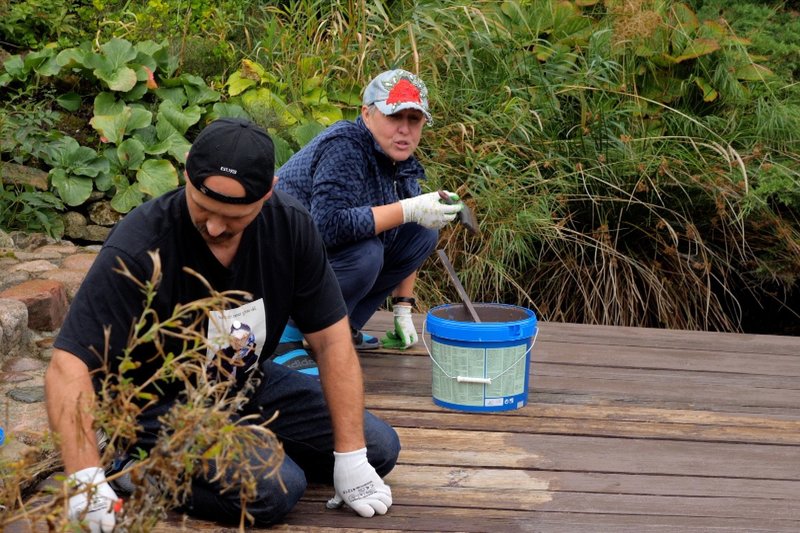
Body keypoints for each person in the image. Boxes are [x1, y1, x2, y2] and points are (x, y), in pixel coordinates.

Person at [44, 117, 399, 531]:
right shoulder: (139, 244)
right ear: (187, 171)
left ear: (268, 192)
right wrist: (83, 480)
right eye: (202, 208)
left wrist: (351, 457)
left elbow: (332, 342)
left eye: (233, 217)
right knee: (277, 488)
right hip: (156, 404)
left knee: (377, 448)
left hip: (246, 382)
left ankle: (248, 451)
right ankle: (131, 469)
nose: (214, 227)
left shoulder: (290, 226)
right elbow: (67, 364)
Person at [273, 69, 463, 372]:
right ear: (367, 113)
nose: (404, 130)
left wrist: (404, 307)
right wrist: (408, 209)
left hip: (314, 262)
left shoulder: (398, 158)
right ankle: (285, 336)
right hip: (276, 262)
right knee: (366, 253)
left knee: (422, 233)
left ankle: (340, 327)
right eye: (393, 117)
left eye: (413, 120)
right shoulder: (345, 145)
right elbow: (328, 226)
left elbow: (409, 224)